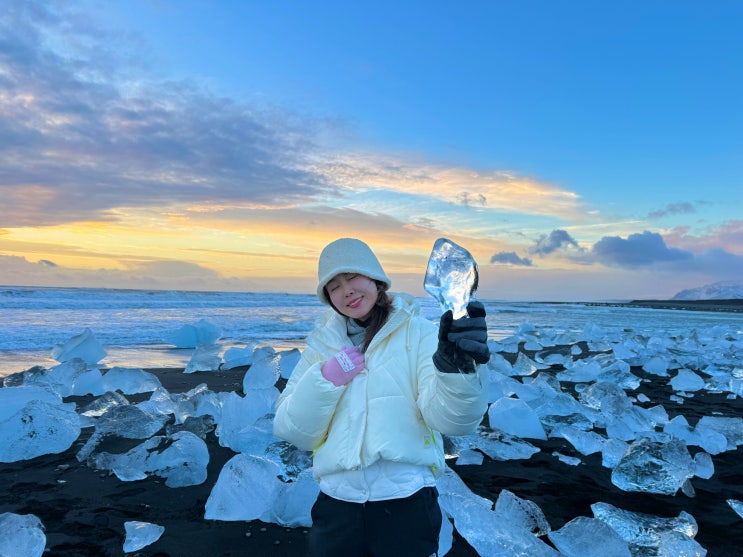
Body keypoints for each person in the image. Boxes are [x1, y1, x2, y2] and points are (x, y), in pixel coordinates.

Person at [273, 238, 490, 557]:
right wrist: (325, 379)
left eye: (352, 277)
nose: (346, 291)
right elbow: (292, 431)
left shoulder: (420, 334)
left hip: (407, 502)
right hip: (336, 506)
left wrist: (456, 369)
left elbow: (453, 421)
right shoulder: (321, 347)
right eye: (333, 287)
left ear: (376, 279)